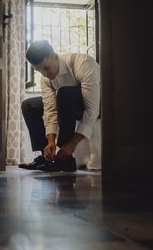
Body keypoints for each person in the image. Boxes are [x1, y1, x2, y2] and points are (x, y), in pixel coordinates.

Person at [19, 40, 100, 172]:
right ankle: (47, 158)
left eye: (46, 68)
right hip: (67, 103)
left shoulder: (83, 63)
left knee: (64, 93)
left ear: (55, 57)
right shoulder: (45, 77)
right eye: (39, 71)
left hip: (96, 105)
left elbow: (92, 110)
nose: (45, 74)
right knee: (29, 105)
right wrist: (50, 141)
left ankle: (65, 159)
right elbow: (50, 110)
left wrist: (72, 143)